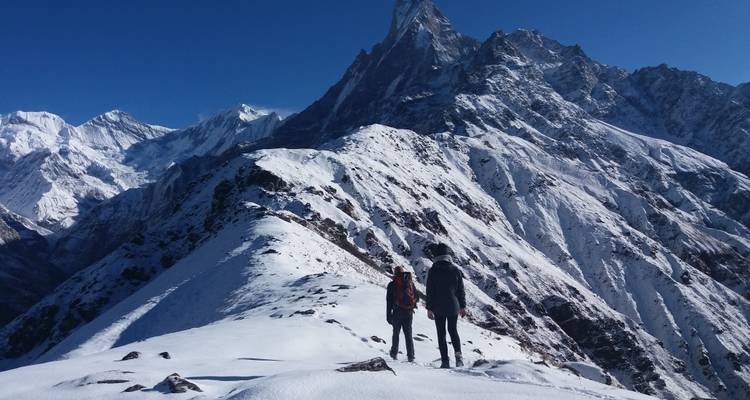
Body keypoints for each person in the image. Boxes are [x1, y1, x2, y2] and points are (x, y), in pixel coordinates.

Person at [426, 243, 466, 368]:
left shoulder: (433, 270)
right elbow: (461, 290)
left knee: (441, 334)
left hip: (438, 307)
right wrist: (462, 306)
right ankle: (459, 358)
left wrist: (429, 308)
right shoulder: (455, 270)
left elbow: (430, 291)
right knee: (453, 331)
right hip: (453, 306)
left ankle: (445, 361)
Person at [386, 265, 417, 362]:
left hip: (397, 311)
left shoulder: (392, 284)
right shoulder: (410, 283)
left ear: (395, 273)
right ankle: (411, 356)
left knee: (396, 333)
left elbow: (389, 301)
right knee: (408, 334)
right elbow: (417, 297)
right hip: (408, 312)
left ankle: (394, 354)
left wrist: (388, 315)